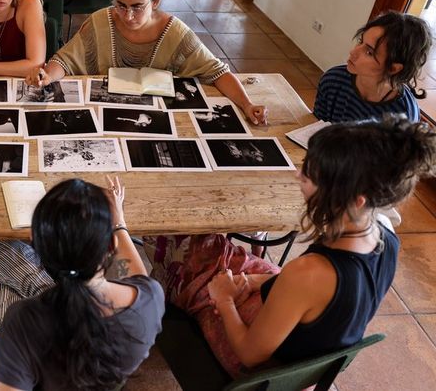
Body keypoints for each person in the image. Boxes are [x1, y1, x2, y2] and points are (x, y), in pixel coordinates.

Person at [144, 116, 436, 376]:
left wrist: (225, 300)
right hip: (302, 334)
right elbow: (316, 296)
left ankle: (152, 315)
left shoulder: (311, 272)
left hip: (263, 370)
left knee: (175, 246)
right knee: (212, 251)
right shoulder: (386, 235)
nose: (299, 176)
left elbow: (249, 355)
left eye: (310, 176)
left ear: (354, 199)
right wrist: (254, 281)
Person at [0, 177, 164, 389]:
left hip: (36, 366)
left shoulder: (24, 320)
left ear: (38, 244)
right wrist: (118, 222)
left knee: (1, 288)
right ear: (111, 246)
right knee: (6, 255)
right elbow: (138, 277)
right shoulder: (150, 298)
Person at [26, 0, 267, 125]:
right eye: (121, 6)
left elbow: (218, 72)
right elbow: (65, 61)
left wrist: (247, 104)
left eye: (137, 7)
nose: (128, 16)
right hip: (103, 118)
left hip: (156, 120)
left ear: (156, 1)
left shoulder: (176, 33)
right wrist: (47, 76)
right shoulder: (100, 21)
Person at [314, 11, 431, 123]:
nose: (353, 52)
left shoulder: (404, 116)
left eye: (369, 52)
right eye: (360, 41)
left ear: (393, 68)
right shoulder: (332, 80)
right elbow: (316, 125)